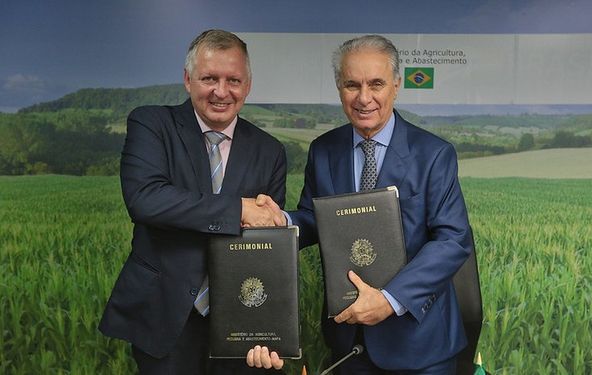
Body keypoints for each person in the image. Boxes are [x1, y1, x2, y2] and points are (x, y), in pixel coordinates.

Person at [249, 34, 473, 374]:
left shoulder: (434, 154)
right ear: (339, 88)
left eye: (376, 84)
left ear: (396, 85)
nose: (364, 98)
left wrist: (389, 300)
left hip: (420, 344)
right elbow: (314, 217)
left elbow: (452, 240)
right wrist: (279, 219)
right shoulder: (324, 149)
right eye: (352, 85)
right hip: (349, 342)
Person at [99, 29, 286, 374]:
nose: (221, 91)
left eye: (233, 80)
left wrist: (271, 327)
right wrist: (238, 209)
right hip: (164, 315)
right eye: (209, 78)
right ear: (187, 79)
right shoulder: (152, 123)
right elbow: (146, 199)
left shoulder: (270, 150)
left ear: (248, 85)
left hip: (240, 319)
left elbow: (268, 247)